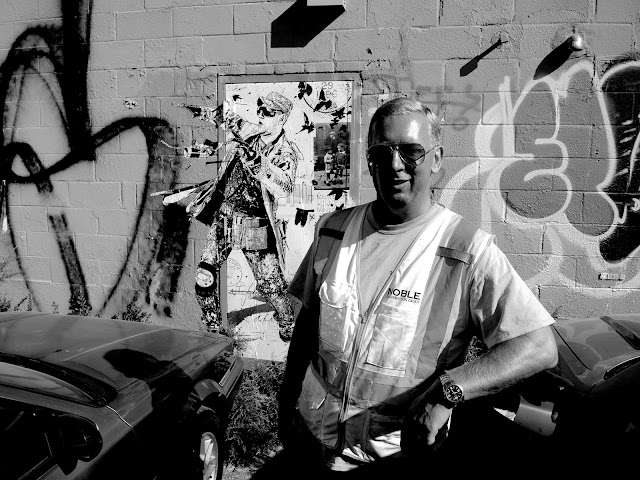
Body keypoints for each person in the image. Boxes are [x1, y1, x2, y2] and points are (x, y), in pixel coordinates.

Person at [260, 98, 558, 478]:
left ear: (436, 159)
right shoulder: (333, 231)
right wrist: (286, 403)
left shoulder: (467, 250)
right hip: (313, 444)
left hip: (396, 460)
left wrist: (448, 390)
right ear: (370, 161)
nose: (395, 165)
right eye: (382, 153)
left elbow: (538, 346)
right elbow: (307, 326)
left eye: (411, 152)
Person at [189, 91, 301, 341]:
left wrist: (256, 161)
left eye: (268, 112)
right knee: (204, 276)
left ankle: (286, 319)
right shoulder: (250, 131)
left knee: (271, 287)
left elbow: (284, 187)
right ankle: (214, 330)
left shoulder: (285, 152)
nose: (260, 114)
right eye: (259, 109)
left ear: (282, 118)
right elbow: (229, 119)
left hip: (254, 224)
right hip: (225, 217)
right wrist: (200, 111)